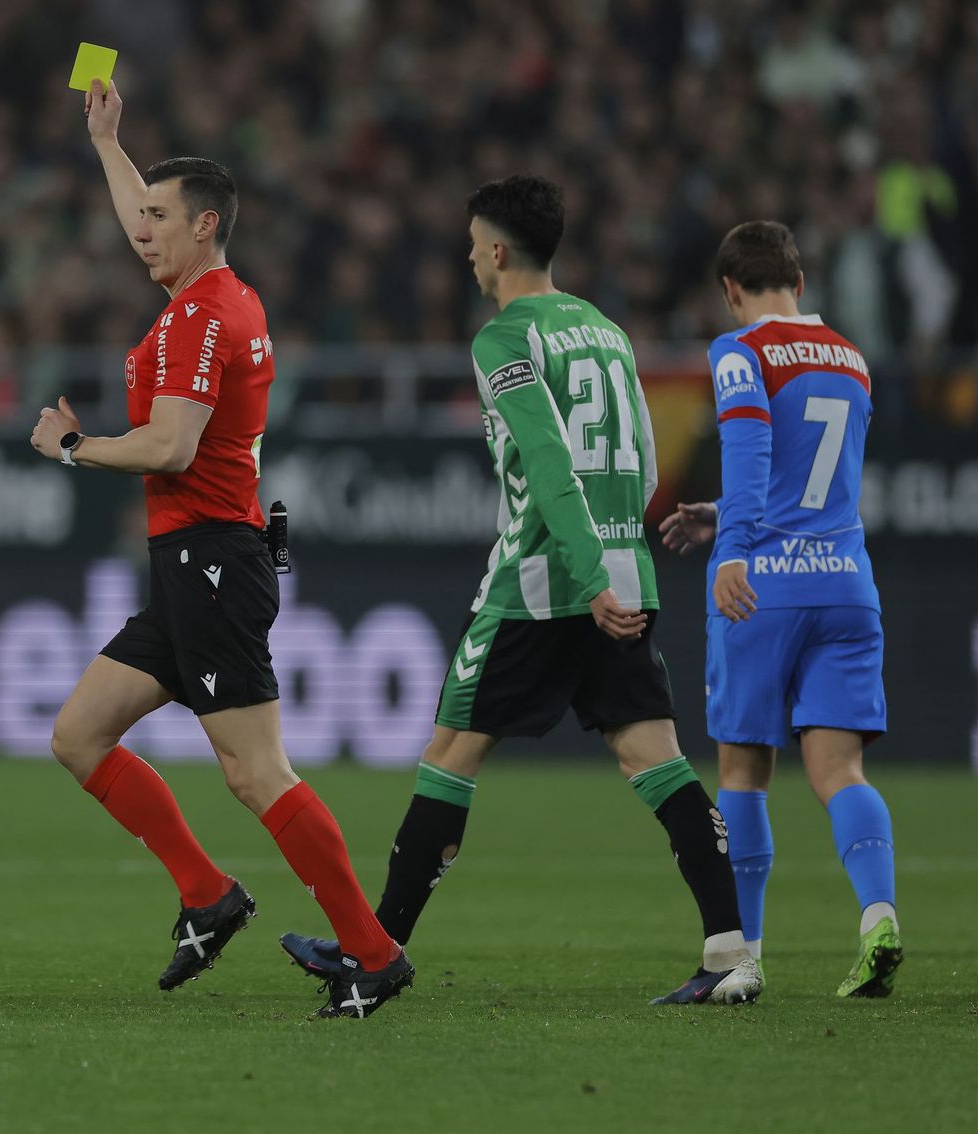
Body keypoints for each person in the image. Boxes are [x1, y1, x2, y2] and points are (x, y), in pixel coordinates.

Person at [279, 175, 762, 1005]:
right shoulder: (607, 331)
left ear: (498, 250)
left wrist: (580, 570)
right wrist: (615, 561)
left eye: (473, 245)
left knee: (450, 755)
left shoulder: (504, 338)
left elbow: (547, 464)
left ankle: (377, 949)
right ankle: (732, 955)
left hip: (541, 581)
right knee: (656, 759)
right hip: (622, 571)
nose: (469, 260)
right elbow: (644, 459)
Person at [26, 78, 412, 1020]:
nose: (138, 229)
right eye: (139, 213)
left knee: (255, 772)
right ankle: (207, 894)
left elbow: (170, 446)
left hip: (212, 558)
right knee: (79, 735)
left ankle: (371, 952)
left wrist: (73, 448)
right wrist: (109, 145)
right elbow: (142, 211)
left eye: (157, 217)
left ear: (204, 226)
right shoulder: (210, 295)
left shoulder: (205, 315)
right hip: (191, 561)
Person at [658, 220, 902, 998]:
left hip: (765, 585)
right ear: (800, 281)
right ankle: (878, 916)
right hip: (846, 582)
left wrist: (732, 546)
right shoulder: (851, 357)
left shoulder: (741, 350)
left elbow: (756, 446)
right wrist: (726, 512)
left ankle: (744, 958)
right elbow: (812, 475)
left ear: (731, 290)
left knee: (744, 771)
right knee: (839, 769)